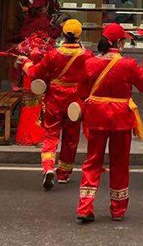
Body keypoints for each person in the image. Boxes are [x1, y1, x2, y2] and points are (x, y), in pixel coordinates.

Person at [76, 23, 143, 223]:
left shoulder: (90, 62)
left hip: (95, 116)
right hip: (121, 117)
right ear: (119, 42)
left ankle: (85, 206)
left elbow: (81, 92)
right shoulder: (128, 64)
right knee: (120, 163)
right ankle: (118, 209)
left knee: (92, 161)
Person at [21, 19, 92, 190]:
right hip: (75, 101)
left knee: (51, 135)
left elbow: (34, 72)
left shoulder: (53, 54)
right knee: (71, 137)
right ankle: (64, 174)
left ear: (63, 34)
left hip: (54, 100)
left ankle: (47, 167)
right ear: (79, 35)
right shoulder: (87, 55)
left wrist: (26, 62)